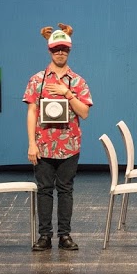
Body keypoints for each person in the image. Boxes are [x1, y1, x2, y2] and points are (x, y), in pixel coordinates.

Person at [23, 24, 93, 252]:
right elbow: (32, 111)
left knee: (65, 190)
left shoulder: (77, 81)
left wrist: (67, 93)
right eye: (56, 49)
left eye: (64, 48)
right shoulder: (38, 80)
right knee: (44, 190)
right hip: (43, 145)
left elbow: (84, 112)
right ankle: (44, 235)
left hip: (69, 145)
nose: (60, 52)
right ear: (50, 51)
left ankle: (64, 235)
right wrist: (32, 143)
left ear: (69, 50)